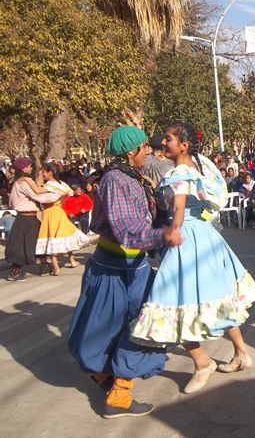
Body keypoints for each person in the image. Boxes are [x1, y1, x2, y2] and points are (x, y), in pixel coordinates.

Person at [129, 121, 255, 394]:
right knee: (218, 298)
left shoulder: (179, 171)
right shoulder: (198, 167)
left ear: (184, 145)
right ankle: (240, 353)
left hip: (186, 239)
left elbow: (178, 207)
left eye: (168, 138)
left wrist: (172, 232)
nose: (163, 143)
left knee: (173, 300)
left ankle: (203, 363)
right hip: (204, 235)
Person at [67, 126, 184, 418]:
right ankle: (119, 395)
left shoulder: (129, 176)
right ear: (131, 151)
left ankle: (103, 374)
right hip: (118, 269)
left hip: (126, 266)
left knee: (114, 327)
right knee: (143, 328)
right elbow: (126, 231)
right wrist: (162, 236)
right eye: (144, 147)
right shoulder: (117, 180)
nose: (149, 152)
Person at [4, 157, 63, 281]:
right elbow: (37, 195)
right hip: (26, 218)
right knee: (22, 245)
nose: (31, 168)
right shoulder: (23, 182)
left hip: (29, 217)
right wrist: (56, 193)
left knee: (38, 241)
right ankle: (15, 271)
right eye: (29, 166)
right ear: (24, 168)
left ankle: (44, 266)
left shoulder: (20, 181)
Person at [34, 164, 91, 275]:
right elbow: (70, 192)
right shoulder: (61, 183)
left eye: (43, 172)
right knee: (64, 236)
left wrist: (28, 182)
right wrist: (61, 199)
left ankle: (56, 267)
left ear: (50, 172)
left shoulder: (49, 185)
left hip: (50, 212)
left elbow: (37, 191)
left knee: (52, 237)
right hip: (59, 211)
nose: (42, 174)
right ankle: (72, 261)